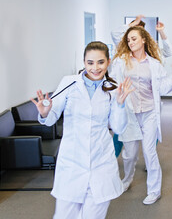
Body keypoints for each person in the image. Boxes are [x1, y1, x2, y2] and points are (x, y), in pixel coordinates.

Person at [31, 41, 134, 219]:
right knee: (64, 216)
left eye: (100, 62)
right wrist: (46, 112)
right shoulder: (69, 83)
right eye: (90, 63)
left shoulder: (114, 89)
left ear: (108, 62)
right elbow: (51, 117)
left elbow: (118, 127)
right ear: (84, 62)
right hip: (72, 162)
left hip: (101, 162)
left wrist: (120, 104)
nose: (95, 68)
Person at [110, 26, 172, 205]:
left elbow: (163, 87)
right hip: (129, 113)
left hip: (149, 112)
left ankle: (154, 191)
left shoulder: (154, 64)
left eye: (134, 39)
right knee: (130, 154)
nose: (130, 42)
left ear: (143, 40)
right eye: (128, 40)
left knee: (150, 152)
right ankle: (127, 180)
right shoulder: (121, 61)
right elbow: (113, 83)